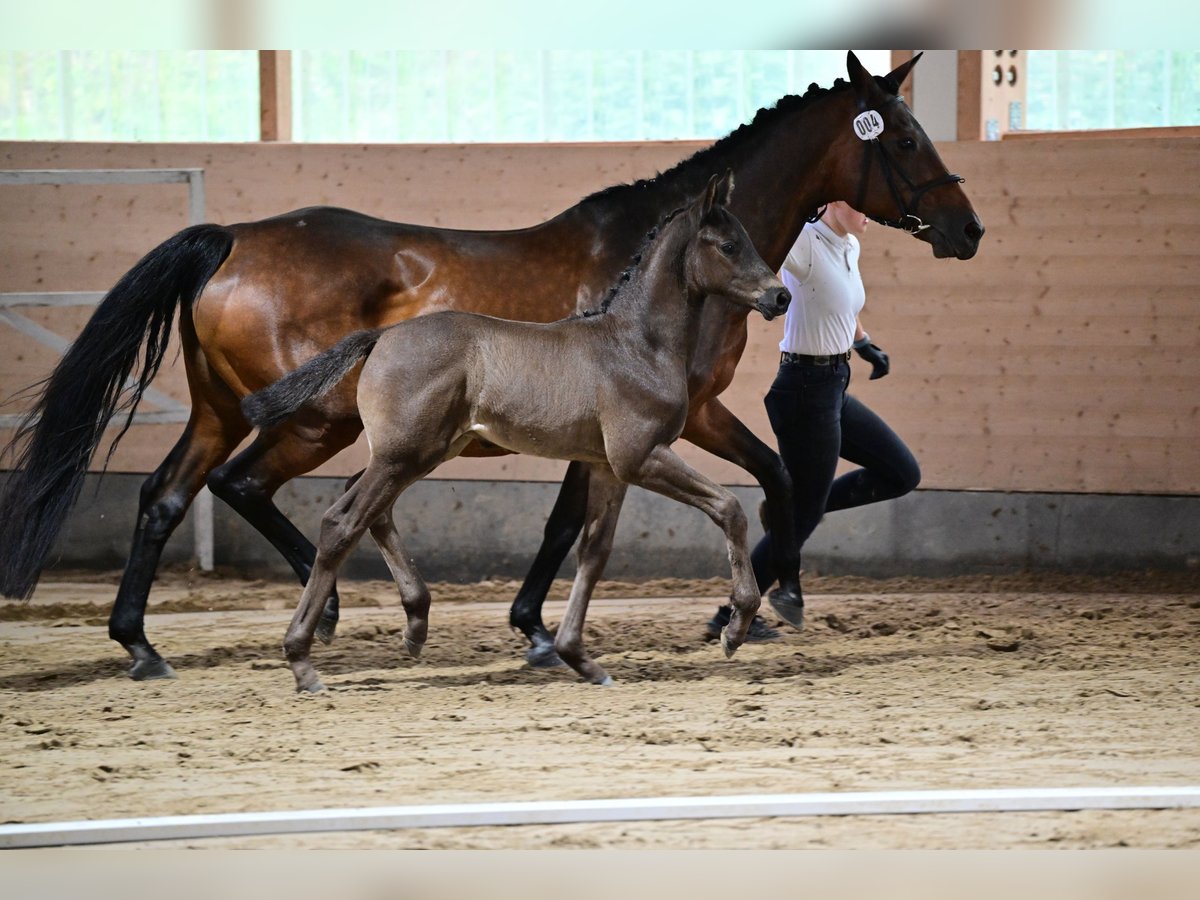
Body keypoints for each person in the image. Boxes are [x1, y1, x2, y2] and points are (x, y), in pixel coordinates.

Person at [705, 201, 921, 641]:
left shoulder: (850, 245)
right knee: (805, 510)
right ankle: (731, 614)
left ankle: (788, 513)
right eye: (862, 205)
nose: (873, 214)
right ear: (836, 203)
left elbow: (842, 302)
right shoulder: (803, 242)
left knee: (901, 473)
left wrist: (863, 344)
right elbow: (765, 239)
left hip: (834, 383)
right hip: (804, 388)